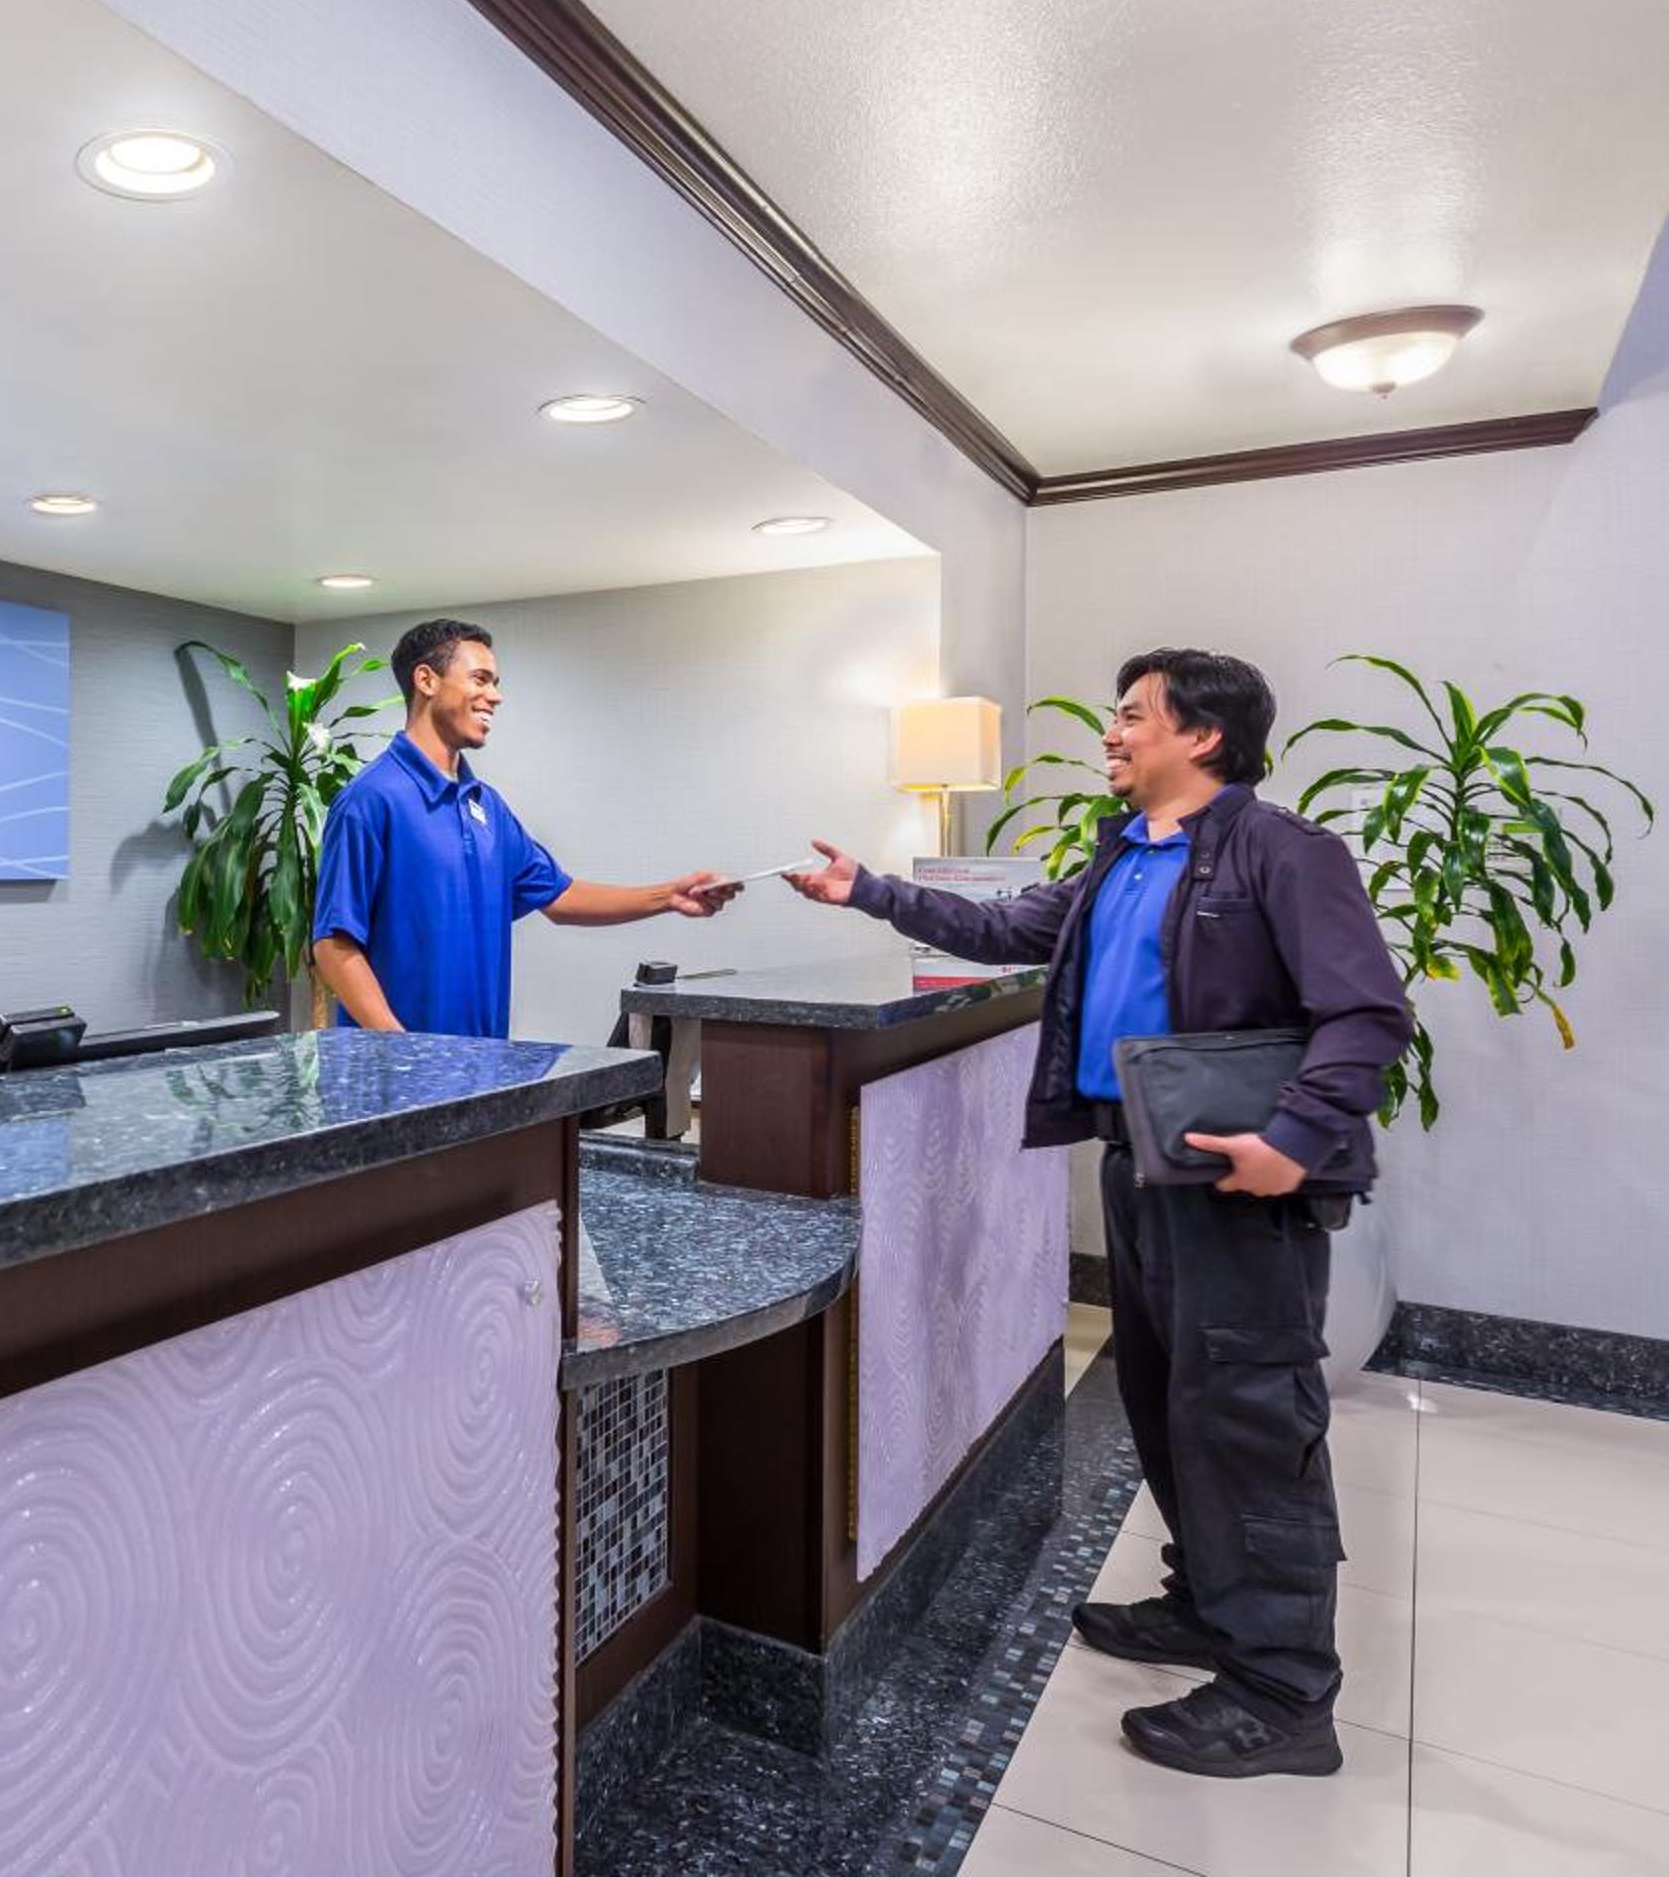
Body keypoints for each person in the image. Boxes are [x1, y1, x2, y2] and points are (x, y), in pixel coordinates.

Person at [784, 649, 1411, 1779]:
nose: (1110, 733)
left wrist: (1294, 1140)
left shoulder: (1283, 851)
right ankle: (1207, 1604)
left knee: (1250, 1421)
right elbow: (1009, 929)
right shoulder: (1124, 853)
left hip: (1237, 1183)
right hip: (1139, 1164)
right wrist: (869, 890)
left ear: (1202, 736)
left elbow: (1366, 1012)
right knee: (1166, 1403)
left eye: (1131, 715)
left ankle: (1283, 1692)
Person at [309, 618, 734, 1039]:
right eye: (480, 679)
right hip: (399, 1070)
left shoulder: (486, 806)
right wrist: (402, 1050)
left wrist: (669, 896)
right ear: (427, 680)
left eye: (495, 683)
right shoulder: (371, 799)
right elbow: (333, 944)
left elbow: (561, 896)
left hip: (484, 1062)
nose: (495, 696)